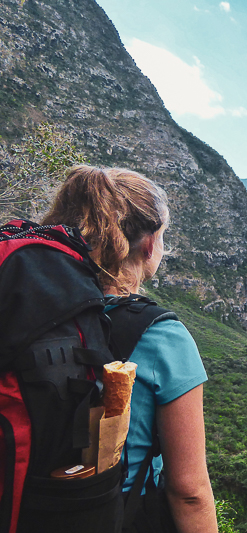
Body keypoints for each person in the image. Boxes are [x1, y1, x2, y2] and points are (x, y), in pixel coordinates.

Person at [41, 165, 218, 533]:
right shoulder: (163, 336)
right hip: (113, 516)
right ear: (149, 244)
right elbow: (189, 491)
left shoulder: (27, 311)